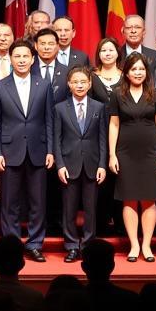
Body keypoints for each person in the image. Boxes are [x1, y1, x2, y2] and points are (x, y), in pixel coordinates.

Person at [0, 38, 54, 261]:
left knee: (38, 201)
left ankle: (35, 243)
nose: (22, 60)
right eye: (17, 56)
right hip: (9, 151)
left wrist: (51, 150)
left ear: (33, 58)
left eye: (26, 56)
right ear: (10, 59)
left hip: (38, 149)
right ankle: (13, 243)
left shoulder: (43, 84)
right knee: (10, 202)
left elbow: (49, 119)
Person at [107, 52, 156, 262]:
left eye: (142, 69)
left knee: (149, 199)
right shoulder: (117, 94)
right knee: (129, 199)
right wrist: (112, 154)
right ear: (126, 72)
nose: (138, 72)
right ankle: (134, 245)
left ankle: (147, 245)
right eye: (134, 69)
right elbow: (114, 125)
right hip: (125, 152)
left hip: (151, 151)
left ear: (147, 72)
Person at [53, 65, 108, 262]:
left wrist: (103, 164)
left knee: (90, 208)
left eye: (83, 82)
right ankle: (71, 246)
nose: (79, 85)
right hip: (69, 164)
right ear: (68, 84)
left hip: (93, 164)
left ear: (90, 83)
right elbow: (56, 139)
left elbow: (103, 138)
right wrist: (60, 165)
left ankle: (87, 245)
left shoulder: (99, 107)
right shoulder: (60, 108)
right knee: (69, 208)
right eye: (75, 82)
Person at [34, 27, 70, 104]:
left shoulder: (67, 72)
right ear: (36, 46)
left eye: (51, 44)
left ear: (57, 46)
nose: (46, 47)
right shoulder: (28, 70)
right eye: (42, 44)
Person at [91, 36, 123, 104]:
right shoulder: (91, 76)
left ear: (118, 53)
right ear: (99, 54)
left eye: (111, 50)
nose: (108, 54)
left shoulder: (125, 76)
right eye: (103, 50)